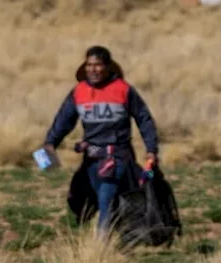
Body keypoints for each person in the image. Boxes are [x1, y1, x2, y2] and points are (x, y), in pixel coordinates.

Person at [42, 46, 160, 234]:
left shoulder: (124, 90)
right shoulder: (78, 92)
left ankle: (101, 248)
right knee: (78, 199)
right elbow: (64, 120)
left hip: (117, 160)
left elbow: (144, 119)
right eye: (89, 65)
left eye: (97, 65)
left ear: (107, 66)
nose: (93, 70)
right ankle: (122, 232)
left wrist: (151, 150)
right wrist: (50, 144)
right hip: (90, 160)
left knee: (106, 200)